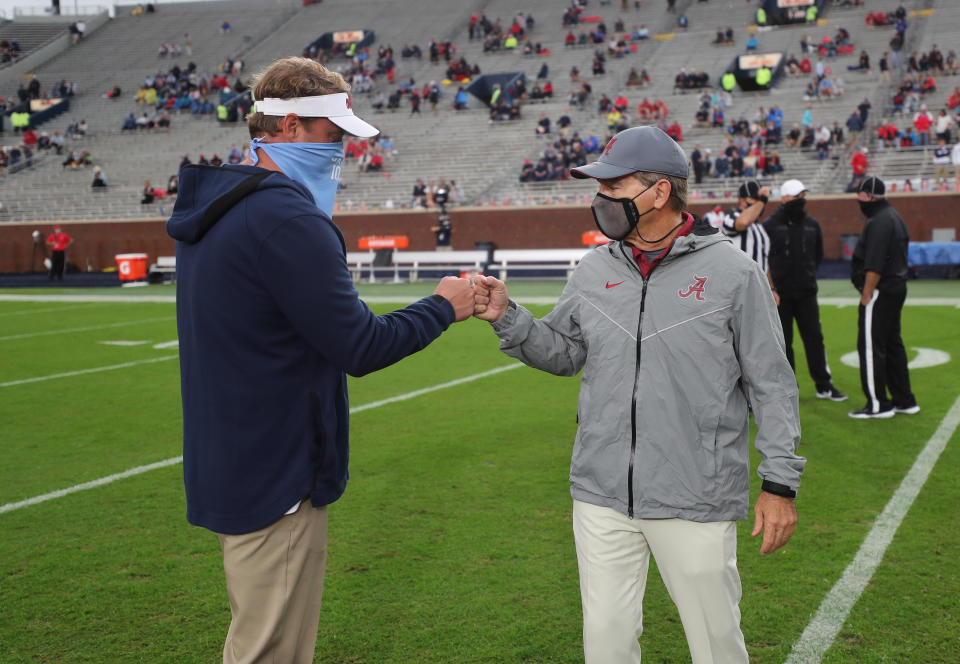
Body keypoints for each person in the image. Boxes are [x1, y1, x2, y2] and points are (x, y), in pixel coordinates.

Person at [165, 57, 475, 664]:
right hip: (276, 468)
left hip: (236, 454)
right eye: (333, 134)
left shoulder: (228, 206)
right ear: (288, 128)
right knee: (270, 650)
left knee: (262, 639)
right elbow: (360, 345)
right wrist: (444, 305)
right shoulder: (284, 216)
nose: (342, 151)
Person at [472, 126, 805, 664]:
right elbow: (564, 352)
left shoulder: (732, 273)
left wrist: (781, 482)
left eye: (613, 185)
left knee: (716, 642)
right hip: (601, 491)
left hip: (694, 492)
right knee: (605, 643)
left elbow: (772, 383)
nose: (601, 199)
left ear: (659, 192)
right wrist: (507, 317)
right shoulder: (595, 268)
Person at [763, 180, 847, 401]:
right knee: (784, 343)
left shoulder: (812, 224)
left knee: (814, 339)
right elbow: (764, 260)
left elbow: (817, 255)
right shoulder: (770, 225)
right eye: (795, 196)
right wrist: (771, 287)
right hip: (780, 294)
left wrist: (807, 275)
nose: (800, 201)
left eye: (802, 196)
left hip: (807, 292)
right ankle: (789, 389)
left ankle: (824, 385)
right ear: (784, 199)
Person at [849, 177, 918, 418]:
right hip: (896, 286)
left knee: (870, 345)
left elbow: (875, 265)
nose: (858, 200)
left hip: (880, 290)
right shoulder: (894, 216)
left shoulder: (879, 221)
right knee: (892, 344)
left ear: (868, 195)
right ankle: (904, 400)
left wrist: (867, 294)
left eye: (859, 195)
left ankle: (878, 404)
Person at [721, 181, 774, 287]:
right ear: (742, 201)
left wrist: (771, 288)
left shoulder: (760, 227)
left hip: (760, 288)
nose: (760, 204)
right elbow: (743, 222)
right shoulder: (731, 217)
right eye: (756, 199)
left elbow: (764, 260)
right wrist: (763, 199)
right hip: (738, 287)